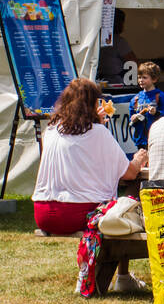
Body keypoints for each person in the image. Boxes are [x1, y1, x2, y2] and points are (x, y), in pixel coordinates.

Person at [33, 77, 147, 238]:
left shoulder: (51, 130)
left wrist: (98, 124)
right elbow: (129, 173)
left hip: (42, 213)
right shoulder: (97, 132)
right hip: (78, 213)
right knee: (130, 203)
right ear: (92, 104)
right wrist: (139, 159)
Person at [128, 61, 164, 149]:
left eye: (144, 77)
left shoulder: (160, 96)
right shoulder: (135, 99)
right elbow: (131, 117)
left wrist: (156, 112)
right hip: (140, 139)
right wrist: (133, 118)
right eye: (139, 77)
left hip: (156, 138)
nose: (141, 80)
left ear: (154, 79)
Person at [97, 9, 136, 85]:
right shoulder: (119, 41)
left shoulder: (97, 38)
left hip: (99, 80)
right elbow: (133, 63)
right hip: (116, 82)